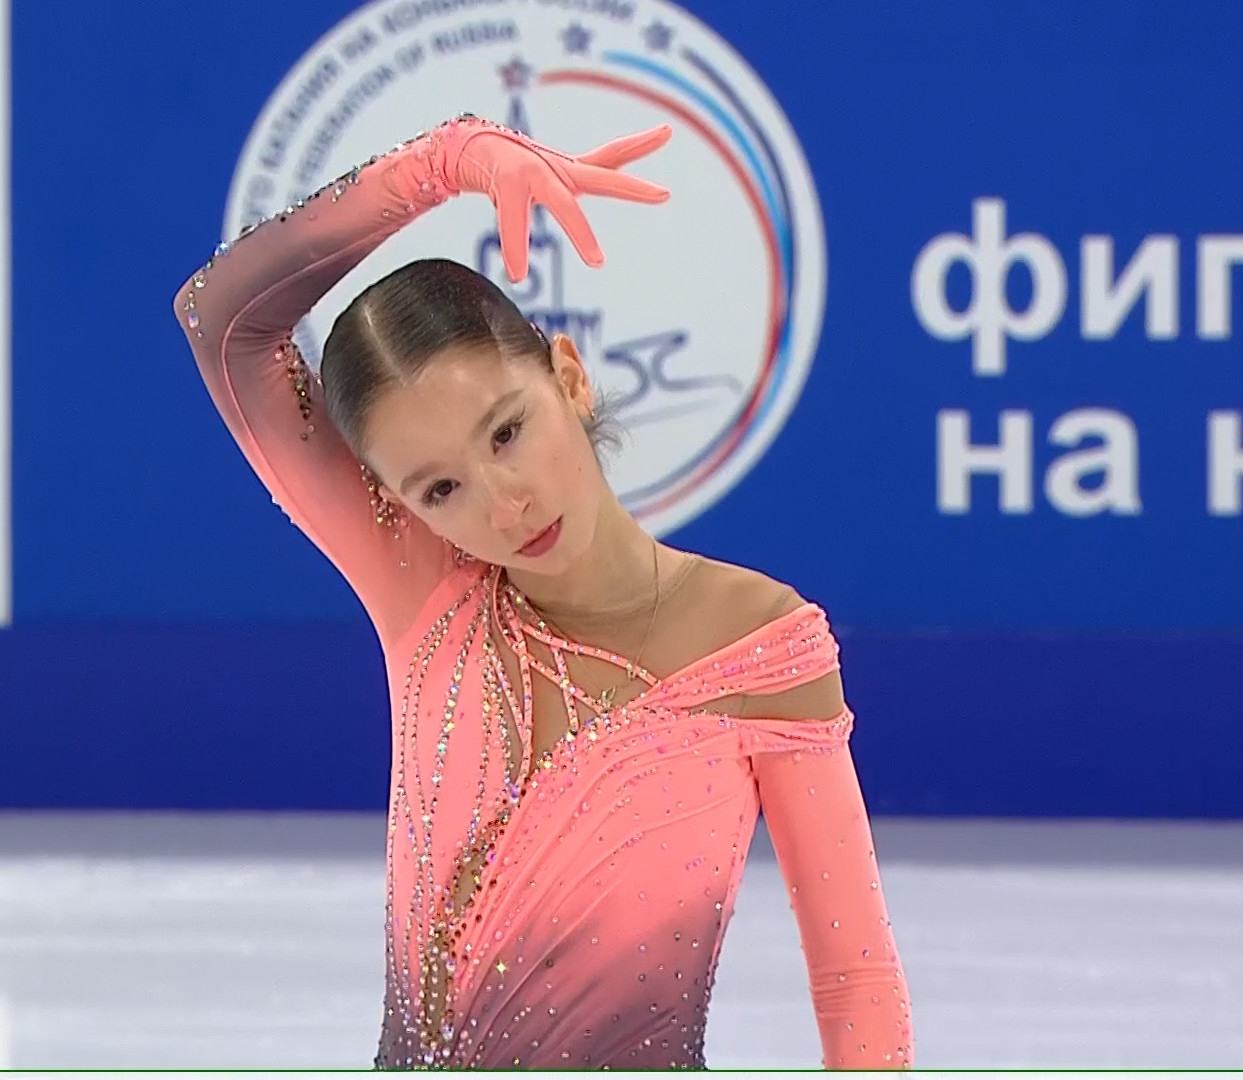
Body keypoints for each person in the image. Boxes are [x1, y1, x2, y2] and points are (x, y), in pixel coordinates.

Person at [173, 114, 913, 1069]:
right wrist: (443, 163)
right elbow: (224, 321)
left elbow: (857, 983)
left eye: (507, 432)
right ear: (400, 507)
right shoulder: (427, 591)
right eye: (441, 490)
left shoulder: (763, 646)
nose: (503, 503)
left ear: (569, 377)